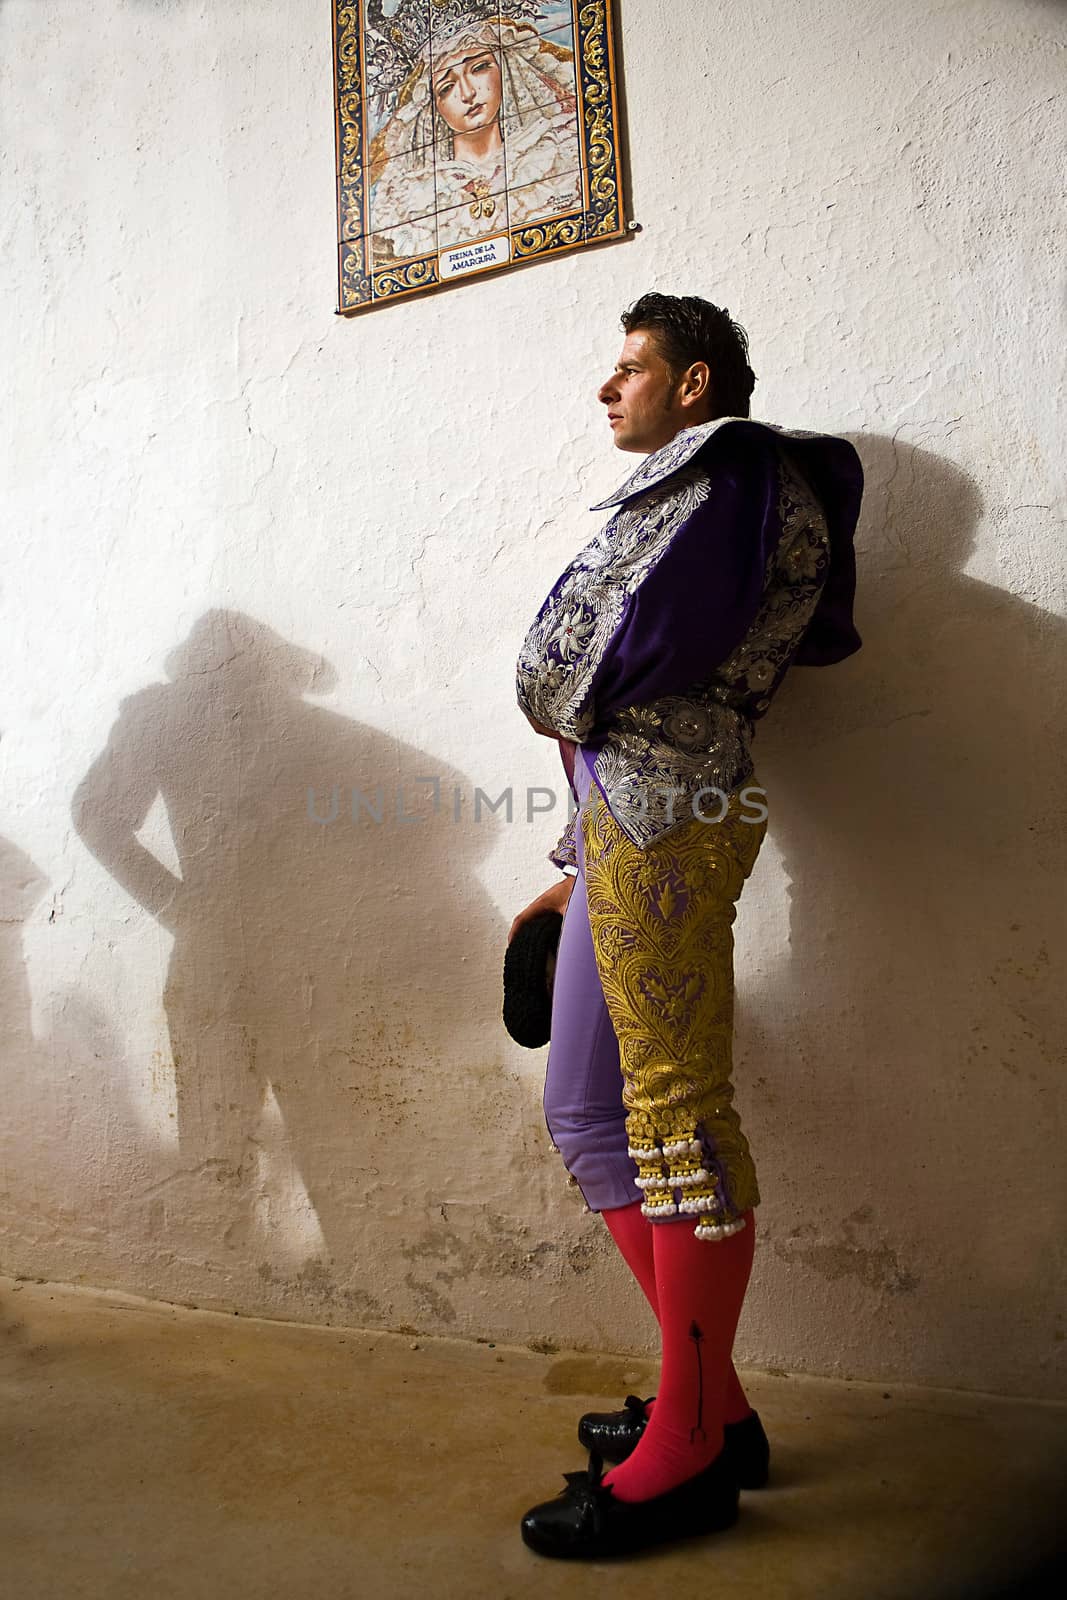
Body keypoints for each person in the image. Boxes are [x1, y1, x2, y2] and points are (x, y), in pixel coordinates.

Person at [512, 292, 864, 1559]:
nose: (607, 391)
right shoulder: (694, 486)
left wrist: (555, 706)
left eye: (628, 370)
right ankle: (711, 1399)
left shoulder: (728, 474)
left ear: (693, 379)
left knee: (671, 1113)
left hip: (668, 815)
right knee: (585, 1108)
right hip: (628, 818)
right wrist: (570, 867)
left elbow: (600, 661)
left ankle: (692, 1445)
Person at [367, 10, 582, 264]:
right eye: (447, 88)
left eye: (479, 68)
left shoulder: (558, 154)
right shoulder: (407, 199)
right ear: (431, 107)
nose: (468, 93)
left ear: (506, 68)